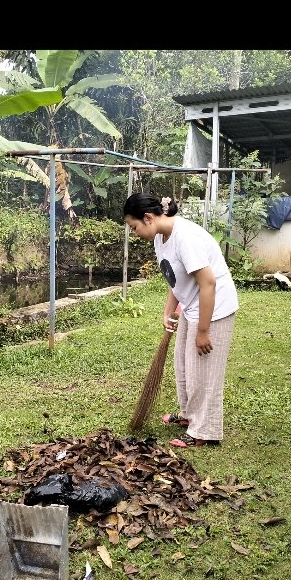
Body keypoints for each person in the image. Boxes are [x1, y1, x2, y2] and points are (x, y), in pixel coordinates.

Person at [123, 192, 239, 447]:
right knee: (184, 366)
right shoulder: (160, 238)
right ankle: (189, 415)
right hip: (191, 306)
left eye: (134, 227)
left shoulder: (185, 238)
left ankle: (203, 432)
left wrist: (203, 331)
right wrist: (168, 311)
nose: (135, 233)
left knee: (203, 373)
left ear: (148, 218)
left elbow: (208, 284)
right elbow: (174, 277)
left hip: (213, 308)